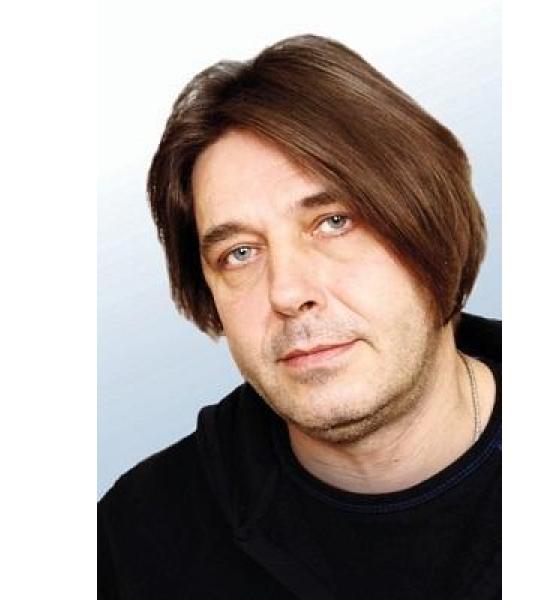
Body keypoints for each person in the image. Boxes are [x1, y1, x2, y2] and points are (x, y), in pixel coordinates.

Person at [98, 34, 501, 599]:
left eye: (334, 222)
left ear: (431, 226)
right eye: (240, 253)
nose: (287, 292)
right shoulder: (132, 544)